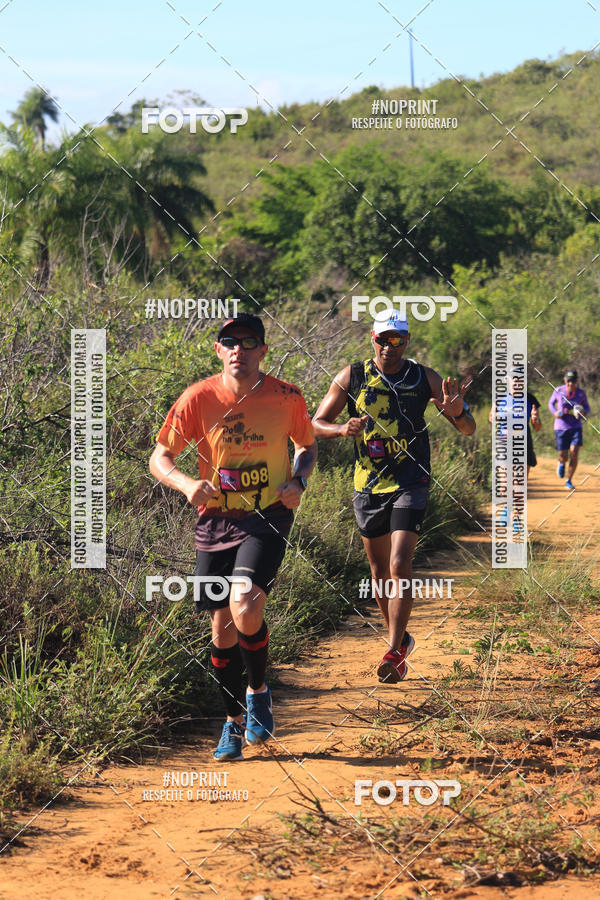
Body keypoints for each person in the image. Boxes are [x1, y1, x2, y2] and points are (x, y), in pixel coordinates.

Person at [149, 313, 317, 760]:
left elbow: (307, 445)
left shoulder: (287, 397)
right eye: (230, 341)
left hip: (268, 515)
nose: (239, 348)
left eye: (248, 341)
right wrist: (186, 484)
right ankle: (233, 724)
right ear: (218, 350)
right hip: (215, 520)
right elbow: (159, 457)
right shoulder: (198, 398)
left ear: (263, 350)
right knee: (222, 630)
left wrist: (298, 482)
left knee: (244, 602)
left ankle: (258, 691)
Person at [312, 312, 471, 684]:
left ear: (407, 341)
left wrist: (456, 411)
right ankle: (398, 641)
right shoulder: (351, 376)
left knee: (400, 565)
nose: (389, 346)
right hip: (367, 485)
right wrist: (340, 428)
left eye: (397, 340)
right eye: (384, 339)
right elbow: (314, 424)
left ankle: (395, 650)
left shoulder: (423, 377)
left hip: (410, 482)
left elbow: (467, 429)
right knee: (379, 572)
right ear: (372, 338)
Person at [548, 369, 590, 490]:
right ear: (565, 381)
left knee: (574, 453)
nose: (571, 383)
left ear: (577, 382)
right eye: (569, 381)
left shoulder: (581, 393)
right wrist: (555, 412)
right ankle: (561, 462)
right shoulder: (559, 390)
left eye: (573, 381)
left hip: (576, 427)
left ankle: (569, 480)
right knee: (564, 455)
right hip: (561, 427)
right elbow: (551, 403)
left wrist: (583, 412)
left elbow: (587, 407)